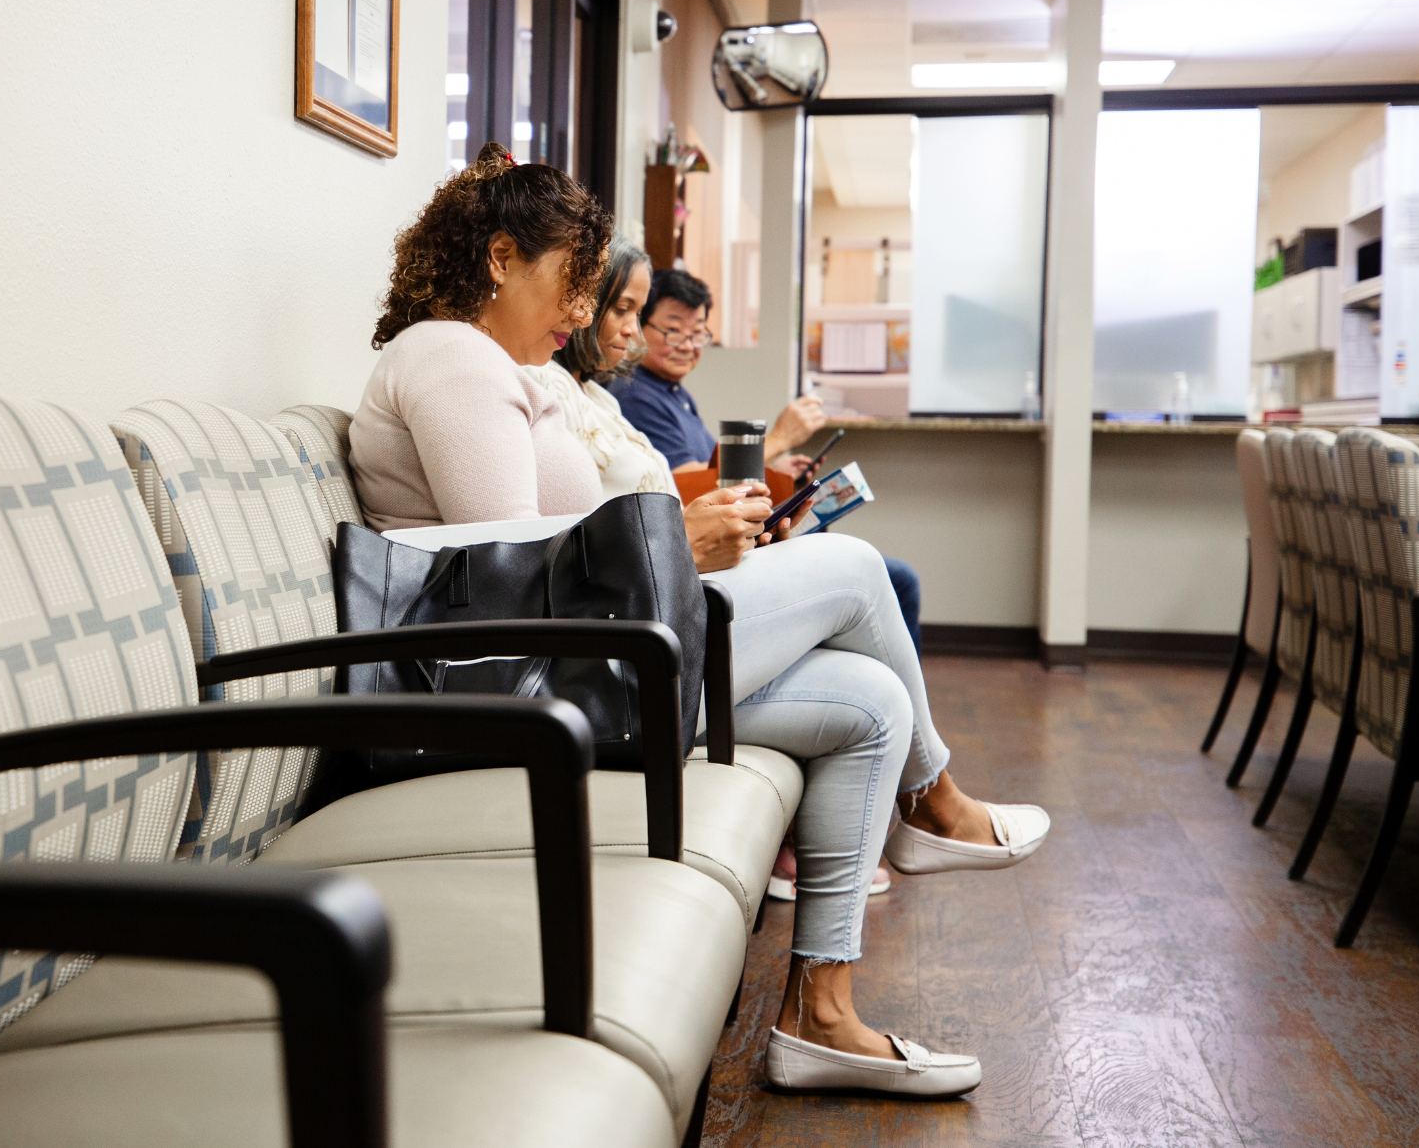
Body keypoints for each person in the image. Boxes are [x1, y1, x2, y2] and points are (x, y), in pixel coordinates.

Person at [350, 147, 1049, 1098]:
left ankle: (822, 1015)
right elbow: (510, 579)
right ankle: (934, 798)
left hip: (585, 659)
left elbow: (540, 553)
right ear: (501, 257)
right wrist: (676, 539)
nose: (582, 317)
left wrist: (680, 538)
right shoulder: (448, 354)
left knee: (873, 699)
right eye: (571, 286)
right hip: (534, 678)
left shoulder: (506, 366)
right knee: (850, 568)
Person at [609, 268, 924, 649]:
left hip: (736, 547)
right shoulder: (636, 395)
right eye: (674, 329)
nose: (688, 345)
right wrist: (778, 439)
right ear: (641, 324)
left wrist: (774, 472)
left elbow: (713, 475)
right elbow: (687, 487)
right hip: (708, 563)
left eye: (698, 333)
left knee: (884, 574)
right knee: (898, 580)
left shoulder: (674, 393)